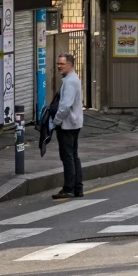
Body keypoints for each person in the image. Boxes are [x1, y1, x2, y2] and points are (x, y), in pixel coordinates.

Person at [52, 53, 84, 200]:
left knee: (67, 157)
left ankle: (69, 188)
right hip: (74, 122)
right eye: (58, 63)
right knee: (73, 155)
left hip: (67, 124)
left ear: (70, 65)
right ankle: (77, 188)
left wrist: (56, 120)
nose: (59, 66)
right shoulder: (72, 79)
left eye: (62, 64)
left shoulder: (70, 81)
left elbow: (65, 105)